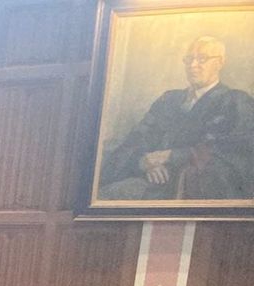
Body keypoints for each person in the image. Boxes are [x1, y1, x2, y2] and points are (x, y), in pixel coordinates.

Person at [99, 36, 254, 201]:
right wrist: (143, 162)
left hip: (191, 189)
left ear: (220, 63)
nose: (193, 65)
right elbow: (136, 140)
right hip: (147, 180)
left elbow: (234, 152)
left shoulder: (235, 102)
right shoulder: (168, 100)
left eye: (202, 59)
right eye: (189, 59)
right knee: (108, 195)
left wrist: (170, 155)